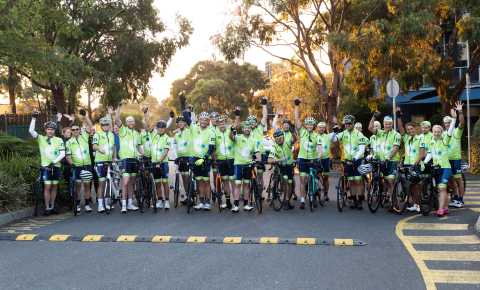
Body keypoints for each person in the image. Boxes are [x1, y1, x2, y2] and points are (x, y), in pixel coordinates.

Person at [29, 113, 65, 215]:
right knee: (47, 187)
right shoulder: (41, 138)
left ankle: (52, 206)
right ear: (46, 130)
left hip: (56, 166)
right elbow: (31, 131)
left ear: (54, 131)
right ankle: (47, 207)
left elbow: (62, 153)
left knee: (54, 187)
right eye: (48, 129)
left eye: (52, 129)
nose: (50, 131)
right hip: (46, 167)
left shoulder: (59, 140)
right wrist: (33, 118)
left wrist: (54, 162)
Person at [424, 111, 456, 217]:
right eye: (435, 131)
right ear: (432, 132)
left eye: (438, 131)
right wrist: (424, 162)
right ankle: (445, 207)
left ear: (441, 132)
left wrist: (454, 118)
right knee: (441, 189)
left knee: (442, 187)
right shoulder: (431, 141)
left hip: (446, 168)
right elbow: (430, 154)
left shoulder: (445, 139)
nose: (436, 133)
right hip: (436, 168)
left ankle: (440, 209)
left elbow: (450, 130)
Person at [294, 98, 323, 209]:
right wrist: (296, 106)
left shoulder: (317, 136)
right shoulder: (302, 132)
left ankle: (314, 195)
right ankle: (302, 200)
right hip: (302, 159)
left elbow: (320, 149)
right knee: (302, 180)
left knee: (314, 178)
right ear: (305, 125)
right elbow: (296, 119)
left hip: (313, 160)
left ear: (314, 126)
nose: (310, 126)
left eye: (311, 125)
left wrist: (318, 157)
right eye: (308, 124)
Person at [368, 114, 401, 208]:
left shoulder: (396, 134)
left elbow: (395, 148)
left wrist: (388, 158)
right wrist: (373, 116)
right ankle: (387, 197)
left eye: (390, 124)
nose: (388, 126)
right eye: (386, 124)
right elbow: (370, 128)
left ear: (392, 124)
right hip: (381, 161)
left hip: (392, 161)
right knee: (384, 181)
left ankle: (394, 202)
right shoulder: (380, 133)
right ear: (383, 124)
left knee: (391, 181)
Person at [335, 115, 367, 209]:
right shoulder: (343, 133)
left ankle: (360, 200)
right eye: (346, 124)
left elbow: (362, 149)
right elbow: (333, 139)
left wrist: (355, 158)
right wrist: (335, 132)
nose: (347, 125)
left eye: (349, 124)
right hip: (347, 161)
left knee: (358, 181)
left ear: (353, 124)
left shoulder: (359, 134)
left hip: (357, 160)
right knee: (351, 181)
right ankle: (354, 200)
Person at [115, 107, 143, 213]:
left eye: (132, 121)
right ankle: (123, 205)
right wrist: (118, 110)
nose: (130, 122)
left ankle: (130, 203)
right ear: (126, 123)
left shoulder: (137, 133)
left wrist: (142, 154)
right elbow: (117, 120)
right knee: (125, 182)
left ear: (134, 122)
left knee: (132, 183)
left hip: (134, 160)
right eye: (128, 121)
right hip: (125, 159)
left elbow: (139, 147)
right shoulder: (123, 130)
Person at [65, 113, 94, 213]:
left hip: (87, 165)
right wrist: (71, 164)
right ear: (71, 132)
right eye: (73, 130)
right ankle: (77, 204)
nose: (75, 131)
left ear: (79, 130)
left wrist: (85, 117)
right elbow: (68, 156)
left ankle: (86, 204)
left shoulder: (84, 137)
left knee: (87, 185)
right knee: (78, 186)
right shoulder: (68, 142)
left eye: (77, 129)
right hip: (76, 166)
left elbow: (90, 126)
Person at [397, 115, 426, 213]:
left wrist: (415, 164)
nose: (409, 131)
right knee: (410, 187)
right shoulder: (406, 138)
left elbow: (422, 154)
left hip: (416, 165)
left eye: (411, 129)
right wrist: (398, 117)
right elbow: (400, 128)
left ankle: (418, 204)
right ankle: (415, 204)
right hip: (407, 165)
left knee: (416, 186)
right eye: (408, 130)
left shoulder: (420, 139)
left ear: (415, 129)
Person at [190, 112, 216, 210]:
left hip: (205, 159)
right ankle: (201, 201)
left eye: (205, 120)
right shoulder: (194, 128)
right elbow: (186, 116)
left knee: (206, 181)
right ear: (199, 120)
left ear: (208, 121)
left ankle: (207, 202)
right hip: (196, 158)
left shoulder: (211, 131)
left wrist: (204, 158)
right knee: (199, 181)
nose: (203, 121)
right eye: (202, 119)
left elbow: (211, 148)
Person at [92, 107, 115, 213]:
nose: (106, 126)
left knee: (109, 182)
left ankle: (107, 201)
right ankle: (100, 204)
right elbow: (94, 146)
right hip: (100, 162)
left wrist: (114, 157)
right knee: (102, 183)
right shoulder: (97, 134)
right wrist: (99, 149)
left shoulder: (111, 134)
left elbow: (113, 147)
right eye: (104, 125)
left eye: (107, 125)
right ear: (101, 126)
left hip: (110, 161)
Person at [230, 121, 257, 212]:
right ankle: (236, 205)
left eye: (248, 128)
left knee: (246, 185)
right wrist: (232, 130)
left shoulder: (253, 140)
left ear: (250, 129)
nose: (247, 129)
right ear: (242, 129)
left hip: (248, 165)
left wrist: (257, 160)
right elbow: (232, 137)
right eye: (245, 128)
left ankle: (246, 205)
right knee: (237, 184)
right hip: (238, 164)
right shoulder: (238, 137)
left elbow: (256, 152)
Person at [246, 97, 268, 199]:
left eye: (253, 122)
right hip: (250, 155)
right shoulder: (246, 132)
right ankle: (244, 192)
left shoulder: (260, 128)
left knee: (259, 174)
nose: (252, 124)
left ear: (256, 122)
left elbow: (265, 116)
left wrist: (264, 105)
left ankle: (260, 193)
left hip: (261, 154)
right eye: (249, 123)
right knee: (246, 175)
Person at [444, 101, 465, 208]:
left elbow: (462, 123)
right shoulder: (443, 134)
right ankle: (455, 197)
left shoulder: (457, 131)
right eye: (445, 123)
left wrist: (460, 112)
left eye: (449, 122)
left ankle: (460, 199)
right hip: (446, 160)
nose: (447, 124)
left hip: (455, 158)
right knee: (450, 180)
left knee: (458, 179)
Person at [268, 129, 295, 209]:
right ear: (275, 140)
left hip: (289, 166)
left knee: (290, 182)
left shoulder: (287, 142)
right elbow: (269, 160)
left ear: (283, 137)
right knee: (285, 179)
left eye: (280, 137)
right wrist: (279, 160)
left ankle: (287, 200)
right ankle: (274, 191)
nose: (279, 139)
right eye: (277, 138)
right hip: (280, 166)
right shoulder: (274, 147)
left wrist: (294, 132)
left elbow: (294, 140)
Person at [213, 114, 235, 209]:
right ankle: (228, 201)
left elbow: (235, 139)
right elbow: (213, 149)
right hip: (221, 160)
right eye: (220, 123)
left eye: (223, 122)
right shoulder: (214, 133)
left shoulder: (230, 131)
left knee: (233, 181)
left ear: (226, 123)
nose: (222, 124)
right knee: (225, 181)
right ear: (217, 124)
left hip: (231, 159)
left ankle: (236, 202)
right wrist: (214, 160)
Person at [150, 120, 171, 209]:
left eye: (163, 128)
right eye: (159, 128)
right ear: (157, 128)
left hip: (163, 163)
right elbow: (148, 126)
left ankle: (166, 201)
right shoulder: (154, 136)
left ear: (165, 129)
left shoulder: (167, 138)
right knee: (157, 183)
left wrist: (160, 161)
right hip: (154, 163)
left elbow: (166, 152)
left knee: (165, 183)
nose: (161, 129)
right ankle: (159, 200)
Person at [172, 115, 193, 205]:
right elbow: (174, 147)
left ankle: (192, 195)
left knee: (188, 177)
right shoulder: (176, 135)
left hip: (189, 156)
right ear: (177, 124)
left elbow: (193, 124)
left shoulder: (190, 131)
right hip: (181, 158)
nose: (180, 123)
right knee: (184, 178)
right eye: (179, 122)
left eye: (182, 122)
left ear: (185, 123)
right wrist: (176, 157)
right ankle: (188, 195)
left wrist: (190, 113)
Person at [316, 121, 336, 201]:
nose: (321, 129)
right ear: (317, 128)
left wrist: (336, 127)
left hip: (326, 160)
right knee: (316, 175)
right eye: (320, 127)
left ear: (325, 129)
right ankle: (317, 189)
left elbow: (335, 135)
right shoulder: (314, 136)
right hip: (316, 159)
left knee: (326, 178)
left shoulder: (328, 136)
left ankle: (326, 194)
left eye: (323, 127)